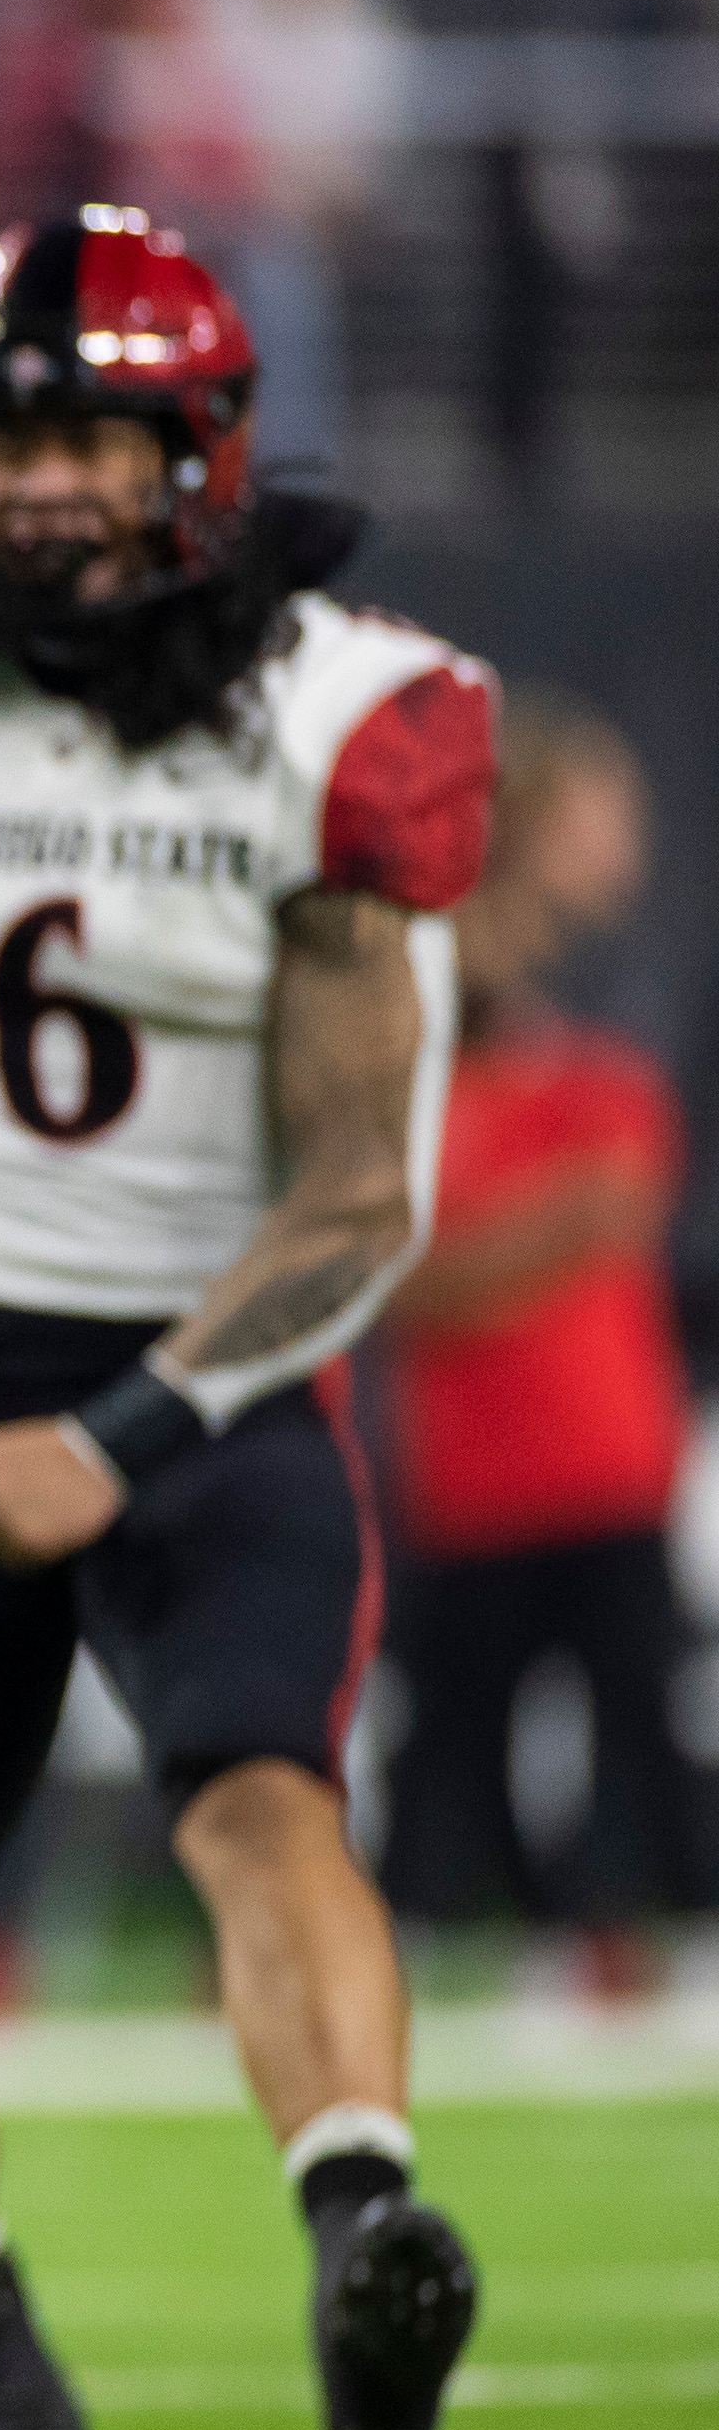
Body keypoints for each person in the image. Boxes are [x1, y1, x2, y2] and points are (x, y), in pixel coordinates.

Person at [0, 206, 492, 2430]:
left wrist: (122, 1437)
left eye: (92, 436)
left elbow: (360, 1195)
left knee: (256, 1790)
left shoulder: (348, 711)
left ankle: (362, 2220)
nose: (43, 483)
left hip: (213, 1377)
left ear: (199, 452)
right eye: (6, 437)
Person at [375, 700, 701, 1952]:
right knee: (451, 1762)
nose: (626, 842)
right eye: (600, 814)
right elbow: (409, 1252)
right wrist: (542, 1222)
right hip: (474, 1463)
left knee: (640, 1739)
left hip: (609, 1440)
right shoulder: (437, 987)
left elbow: (619, 1197)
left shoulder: (627, 984)